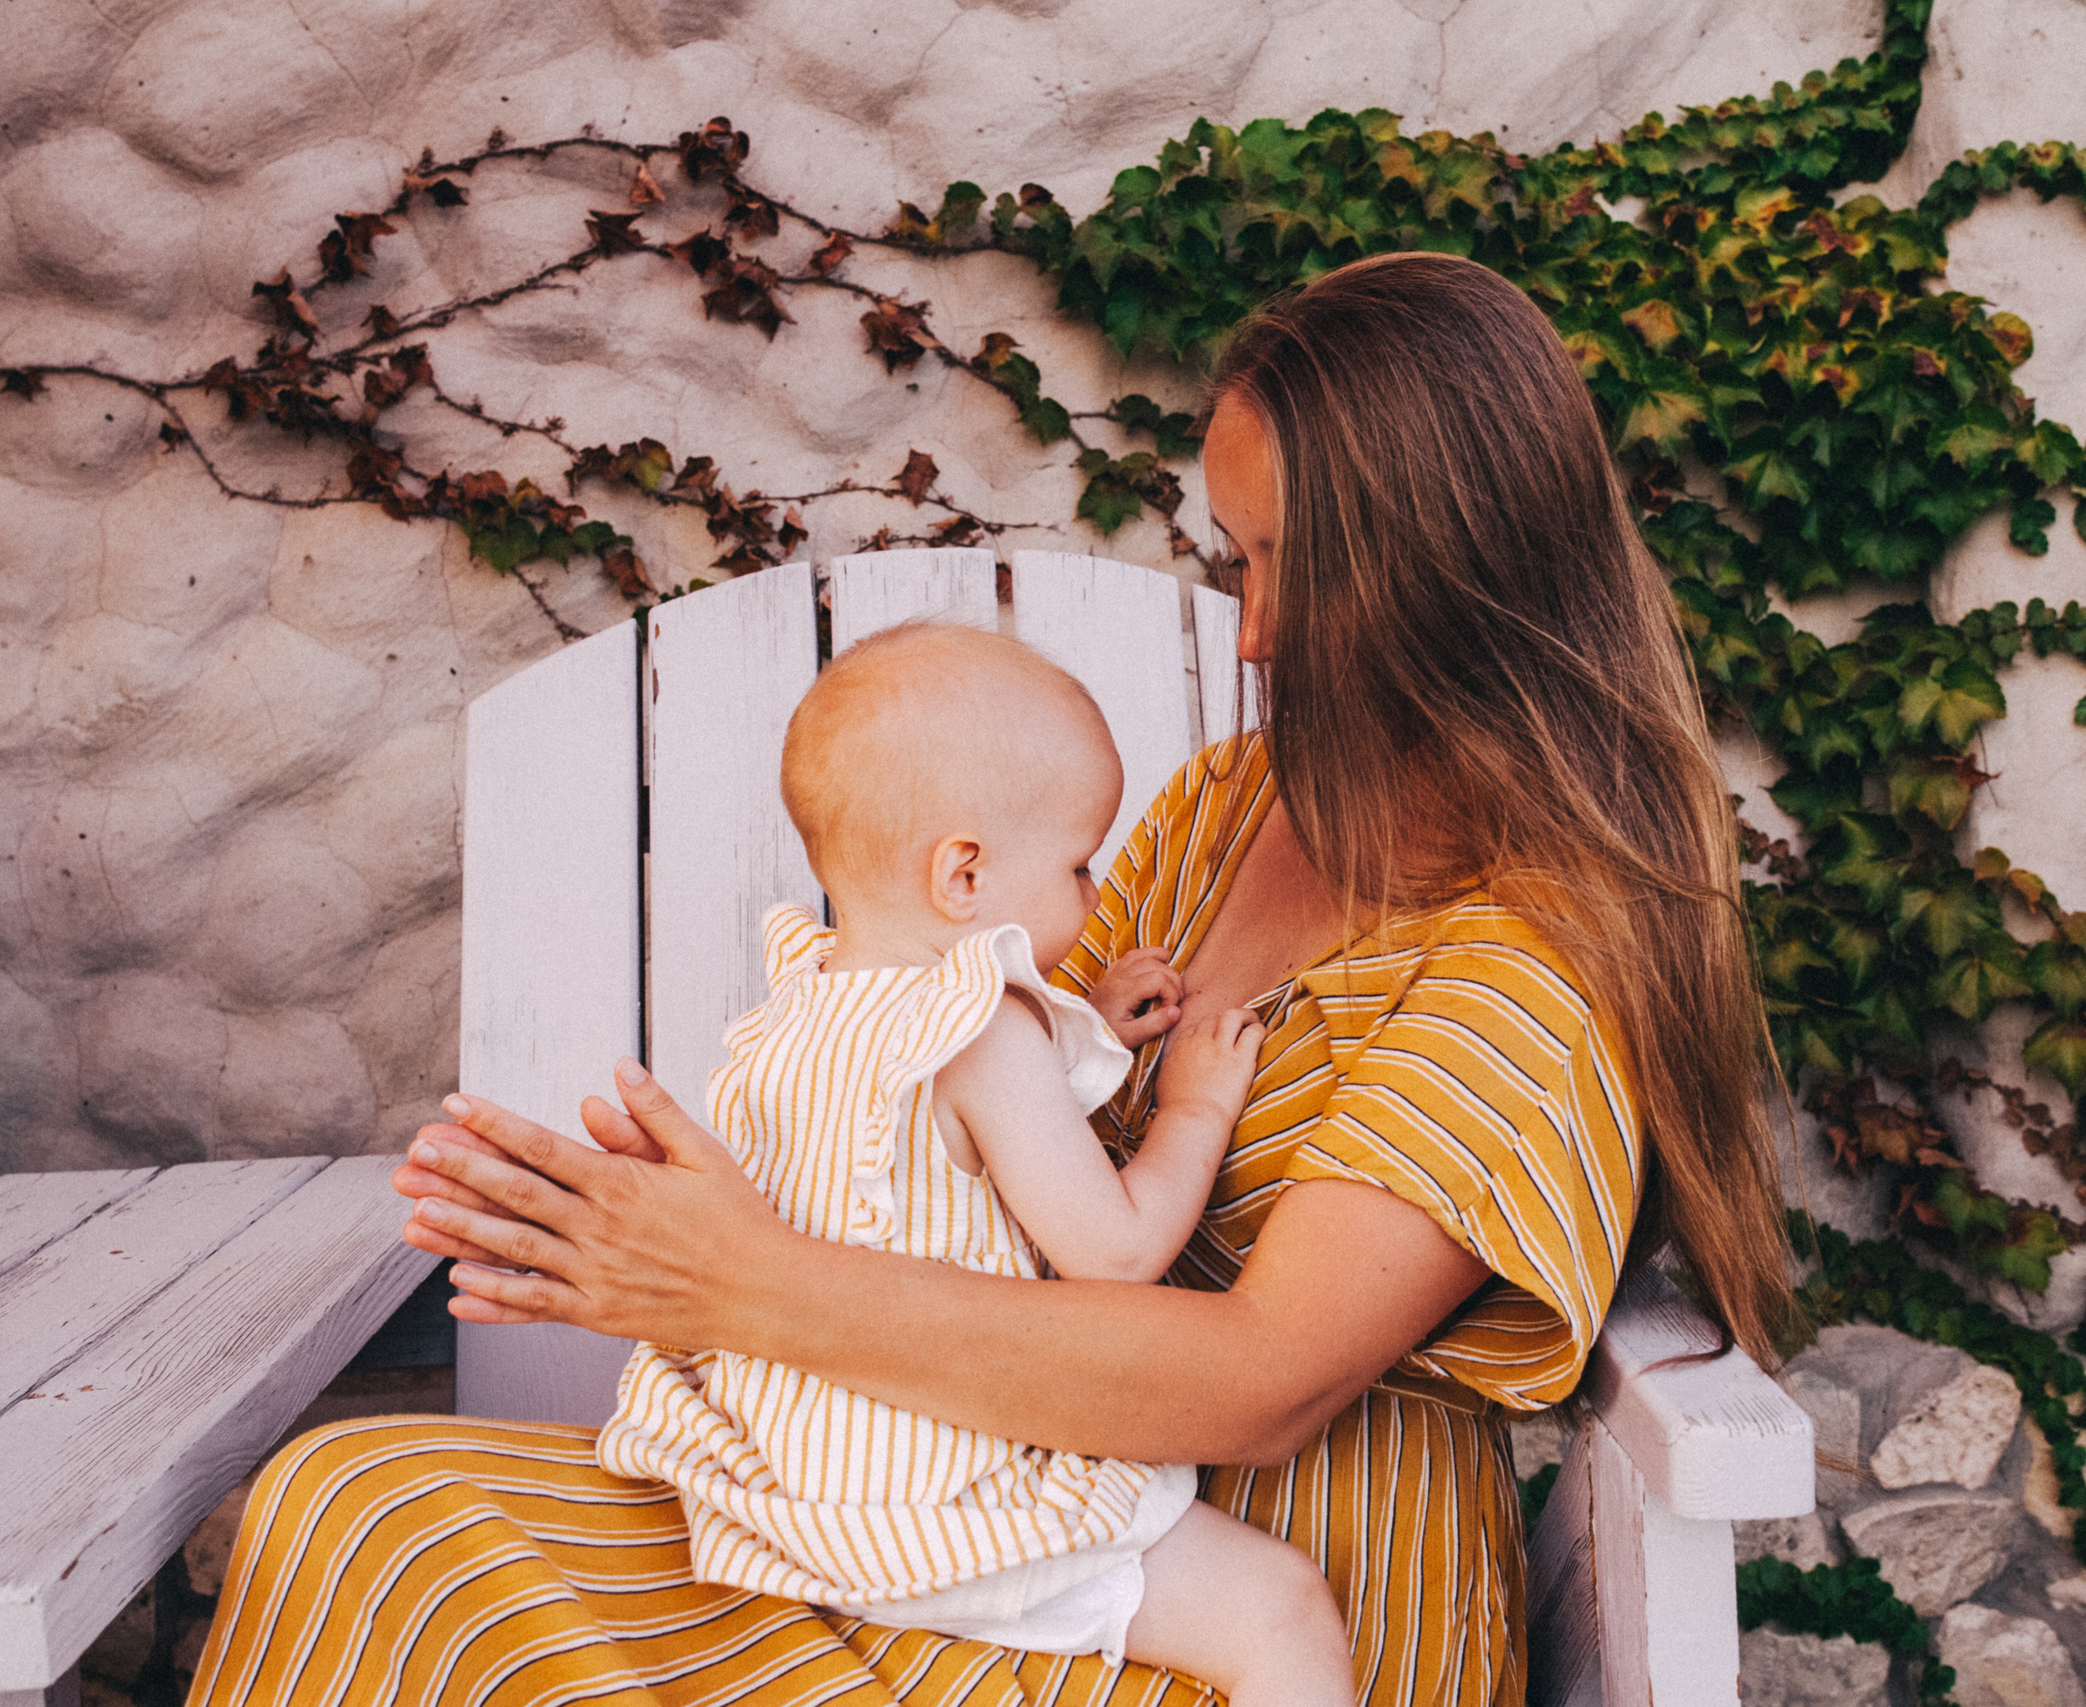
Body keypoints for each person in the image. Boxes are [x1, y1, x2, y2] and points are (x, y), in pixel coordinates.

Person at [189, 250, 1792, 1707]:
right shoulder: (1234, 809)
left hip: (1242, 1615)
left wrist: (738, 1282)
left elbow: (1260, 1383)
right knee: (359, 1510)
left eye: (1295, 563)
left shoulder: (1531, 965)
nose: (1253, 632)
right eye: (1237, 557)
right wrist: (702, 1201)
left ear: (1459, 568)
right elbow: (971, 1094)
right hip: (947, 1505)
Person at [599, 620, 1352, 1703]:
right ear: (964, 875)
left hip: (790, 1486)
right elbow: (1117, 1249)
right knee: (1278, 1608)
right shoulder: (983, 1032)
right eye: (1079, 865)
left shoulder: (794, 1015)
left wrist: (1080, 1026)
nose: (1094, 897)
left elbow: (921, 1165)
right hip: (940, 1496)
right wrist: (1193, 1104)